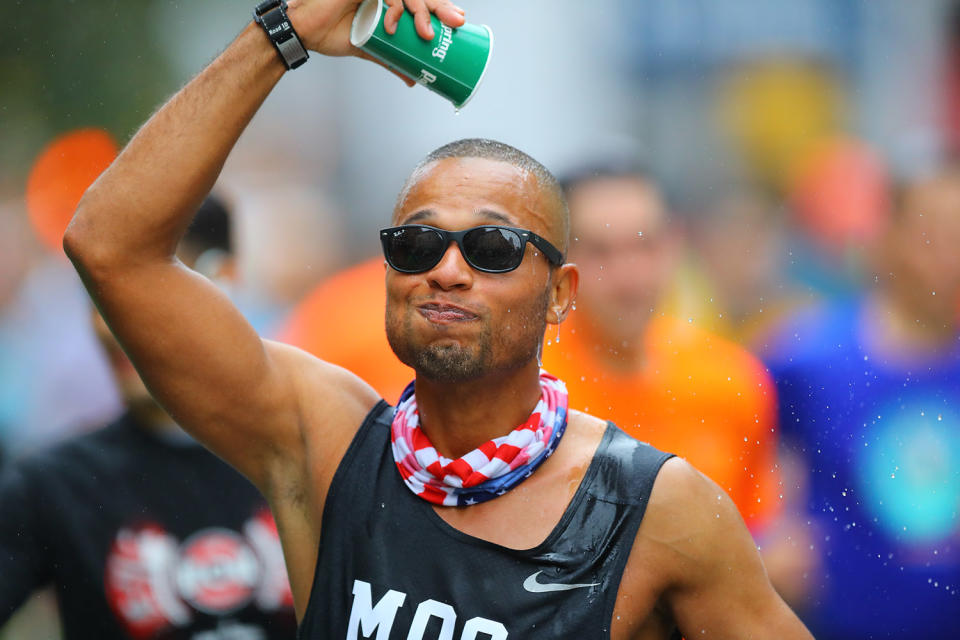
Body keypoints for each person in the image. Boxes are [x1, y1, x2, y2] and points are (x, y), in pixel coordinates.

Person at [60, 1, 813, 637]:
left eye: (491, 247)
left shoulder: (657, 510)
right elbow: (110, 250)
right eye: (417, 243)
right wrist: (281, 35)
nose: (446, 268)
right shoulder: (321, 445)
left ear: (560, 292)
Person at [0, 196, 297, 639]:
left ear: (223, 280)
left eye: (140, 287)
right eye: (97, 292)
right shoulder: (56, 484)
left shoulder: (310, 459)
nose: (110, 323)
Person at [764, 163, 960, 639]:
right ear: (886, 239)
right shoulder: (804, 359)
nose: (951, 256)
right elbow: (737, 467)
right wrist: (766, 545)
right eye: (933, 235)